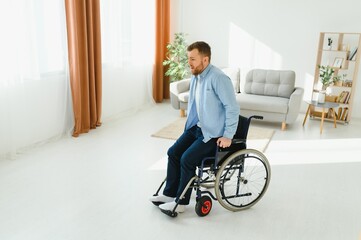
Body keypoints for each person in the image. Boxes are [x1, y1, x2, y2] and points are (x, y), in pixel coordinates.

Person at [150, 41, 240, 214]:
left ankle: (181, 203)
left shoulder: (219, 78)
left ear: (205, 60)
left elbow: (232, 108)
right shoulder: (196, 76)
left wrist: (228, 135)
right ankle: (169, 194)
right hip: (197, 128)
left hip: (213, 134)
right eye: (188, 58)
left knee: (187, 159)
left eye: (193, 59)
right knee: (173, 153)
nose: (188, 62)